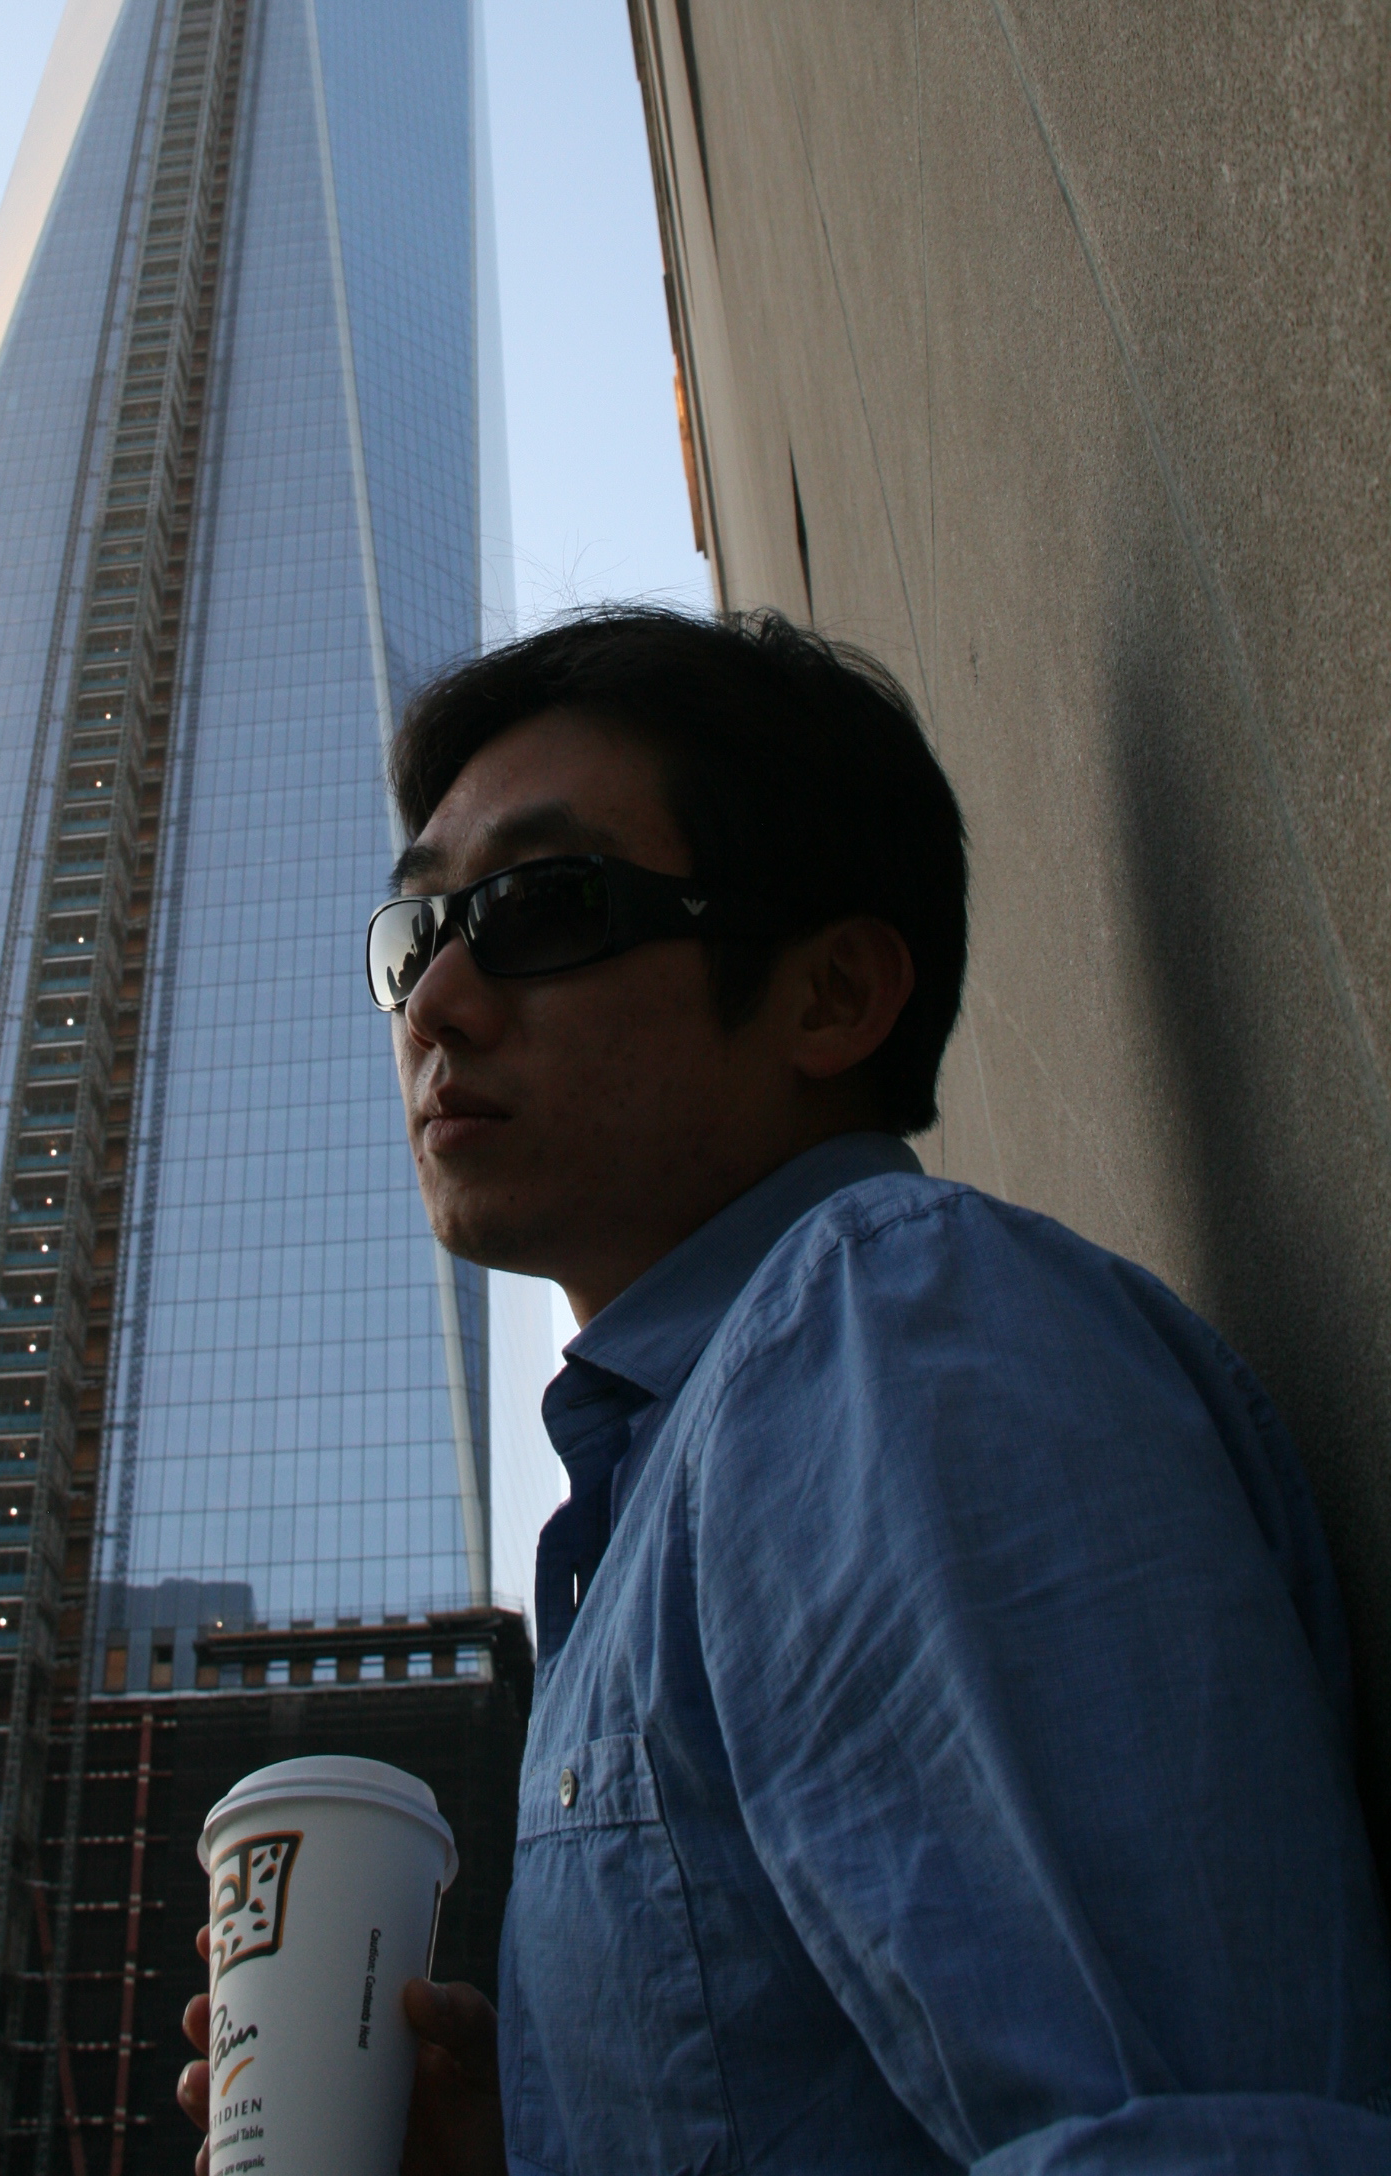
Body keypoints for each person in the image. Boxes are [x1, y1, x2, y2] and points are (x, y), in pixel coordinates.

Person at [183, 607, 1391, 2170]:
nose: (436, 1003)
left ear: (831, 997)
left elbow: (1176, 2140)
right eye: (418, 935)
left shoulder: (883, 1333)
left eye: (544, 907)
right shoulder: (688, 1464)